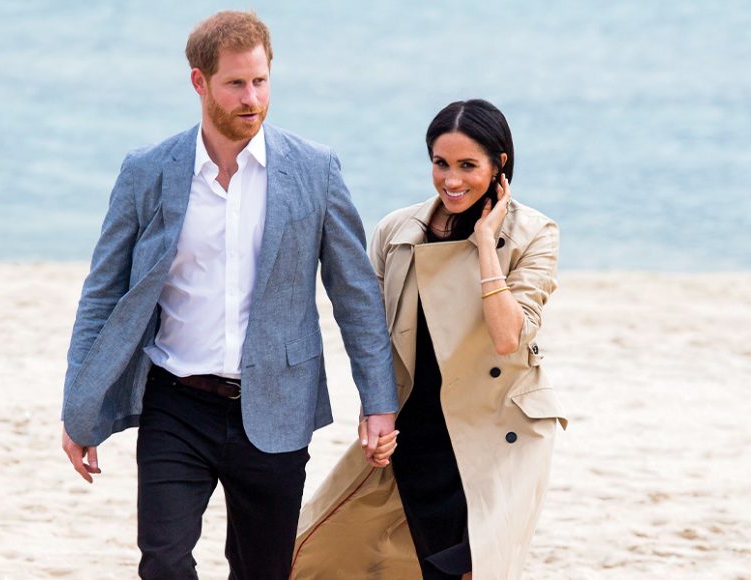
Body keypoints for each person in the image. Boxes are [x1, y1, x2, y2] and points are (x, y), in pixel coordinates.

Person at [59, 11, 399, 579]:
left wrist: (379, 402)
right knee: (163, 563)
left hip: (277, 404)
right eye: (236, 83)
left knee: (261, 569)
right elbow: (102, 292)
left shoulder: (314, 169)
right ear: (200, 82)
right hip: (176, 400)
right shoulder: (148, 171)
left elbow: (356, 293)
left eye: (261, 81)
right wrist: (79, 406)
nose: (252, 98)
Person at [291, 99, 568, 579]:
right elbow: (372, 338)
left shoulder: (534, 234)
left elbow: (508, 337)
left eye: (468, 166)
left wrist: (485, 245)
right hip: (420, 432)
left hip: (496, 435)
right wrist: (372, 413)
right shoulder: (397, 231)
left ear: (500, 165)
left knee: (478, 566)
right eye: (441, 164)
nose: (451, 180)